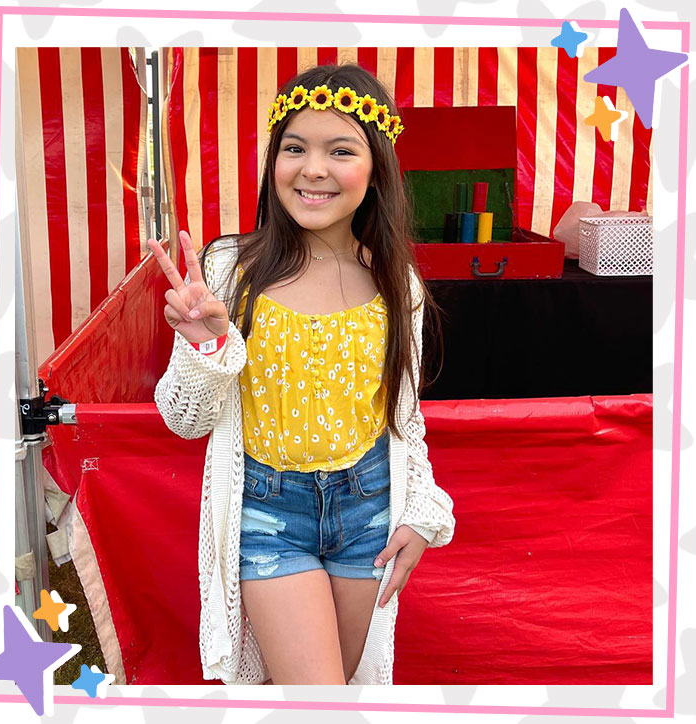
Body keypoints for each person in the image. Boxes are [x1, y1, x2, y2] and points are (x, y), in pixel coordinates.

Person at [148, 62, 455, 685]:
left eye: (340, 150)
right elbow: (184, 420)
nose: (313, 168)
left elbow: (404, 419)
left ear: (376, 170)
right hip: (268, 515)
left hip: (369, 510)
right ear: (274, 161)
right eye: (295, 148)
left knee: (341, 691)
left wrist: (422, 512)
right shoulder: (231, 269)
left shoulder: (399, 284)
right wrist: (206, 345)